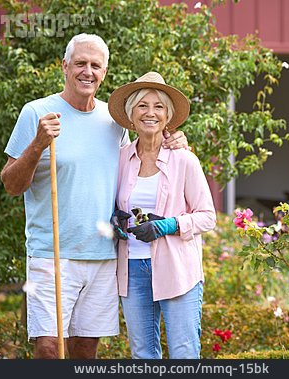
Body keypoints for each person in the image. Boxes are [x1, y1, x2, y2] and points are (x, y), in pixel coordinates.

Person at [0, 34, 188, 359]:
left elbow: (137, 168)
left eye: (95, 66)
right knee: (48, 348)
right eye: (80, 64)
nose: (87, 71)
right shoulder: (37, 113)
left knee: (86, 351)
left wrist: (175, 143)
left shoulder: (115, 122)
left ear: (104, 72)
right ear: (64, 67)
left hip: (103, 254)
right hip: (52, 253)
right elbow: (11, 185)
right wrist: (37, 146)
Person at [108, 72, 216, 359]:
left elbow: (208, 216)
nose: (150, 113)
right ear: (131, 115)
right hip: (132, 268)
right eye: (142, 105)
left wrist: (170, 225)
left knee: (183, 352)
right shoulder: (120, 158)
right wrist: (115, 219)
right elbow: (111, 203)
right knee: (143, 354)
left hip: (177, 268)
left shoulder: (184, 159)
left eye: (158, 107)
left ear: (168, 117)